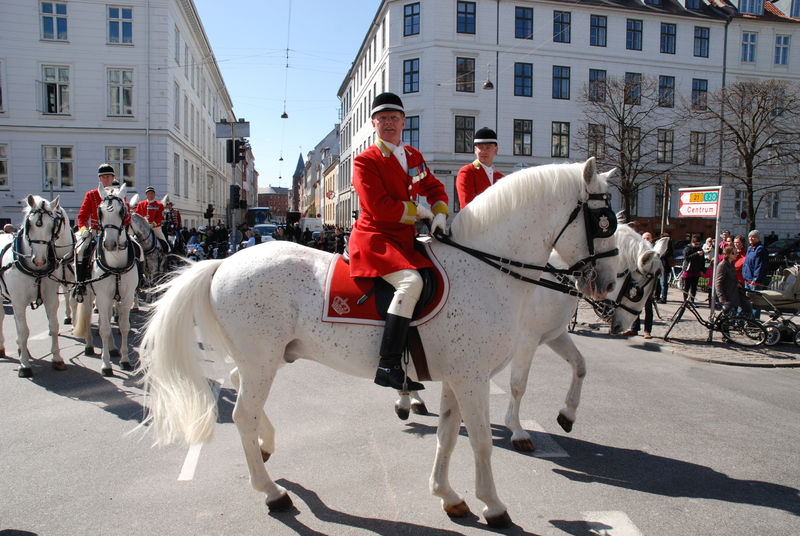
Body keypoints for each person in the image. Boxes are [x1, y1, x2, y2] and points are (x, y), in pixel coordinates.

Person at [349, 92, 449, 392]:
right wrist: (418, 211)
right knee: (411, 283)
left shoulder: (413, 157)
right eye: (383, 119)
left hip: (405, 238)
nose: (389, 123)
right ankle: (388, 364)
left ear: (404, 121)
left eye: (394, 118)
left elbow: (434, 187)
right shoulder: (365, 161)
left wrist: (441, 213)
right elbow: (379, 206)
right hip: (376, 237)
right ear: (373, 124)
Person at [75, 163, 131, 297]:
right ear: (100, 179)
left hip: (116, 233)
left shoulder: (119, 194)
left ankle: (139, 280)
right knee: (81, 250)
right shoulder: (92, 195)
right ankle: (81, 284)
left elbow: (126, 217)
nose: (106, 179)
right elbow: (82, 216)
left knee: (137, 248)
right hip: (95, 231)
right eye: (103, 177)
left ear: (113, 178)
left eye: (108, 177)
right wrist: (83, 228)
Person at [456, 127, 503, 208]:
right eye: (480, 147)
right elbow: (467, 206)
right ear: (475, 150)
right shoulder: (467, 172)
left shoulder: (500, 177)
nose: (484, 151)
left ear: (496, 150)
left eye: (488, 147)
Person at [624, 232, 655, 338]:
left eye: (648, 238)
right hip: (636, 283)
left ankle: (647, 331)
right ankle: (634, 328)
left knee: (648, 308)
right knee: (634, 305)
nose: (646, 239)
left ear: (651, 240)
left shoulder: (654, 253)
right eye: (644, 238)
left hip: (648, 284)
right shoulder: (637, 251)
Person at [715, 245, 752, 317]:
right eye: (733, 253)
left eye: (736, 253)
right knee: (726, 314)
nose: (735, 255)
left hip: (733, 292)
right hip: (727, 293)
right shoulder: (723, 265)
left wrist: (738, 282)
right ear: (727, 254)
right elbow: (718, 282)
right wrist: (721, 297)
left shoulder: (732, 263)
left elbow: (734, 277)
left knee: (746, 306)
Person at [743, 229, 770, 318]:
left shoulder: (760, 249)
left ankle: (754, 320)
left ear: (758, 238)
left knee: (755, 302)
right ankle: (749, 319)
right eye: (750, 236)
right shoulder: (750, 248)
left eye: (753, 237)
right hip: (748, 279)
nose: (751, 238)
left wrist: (756, 278)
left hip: (755, 281)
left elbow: (760, 265)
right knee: (748, 301)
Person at [680, 234, 705, 302]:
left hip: (696, 270)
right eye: (696, 244)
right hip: (688, 270)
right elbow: (687, 258)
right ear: (692, 242)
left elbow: (702, 261)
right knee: (686, 287)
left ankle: (692, 300)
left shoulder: (700, 249)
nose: (698, 245)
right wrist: (696, 254)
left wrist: (702, 270)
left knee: (694, 287)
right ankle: (685, 300)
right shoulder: (687, 249)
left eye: (699, 244)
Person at [657, 232, 674, 304]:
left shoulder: (668, 247)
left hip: (664, 266)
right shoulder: (660, 245)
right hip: (659, 265)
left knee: (663, 283)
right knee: (658, 283)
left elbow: (665, 255)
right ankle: (657, 295)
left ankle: (664, 297)